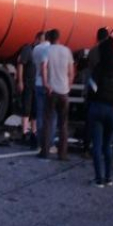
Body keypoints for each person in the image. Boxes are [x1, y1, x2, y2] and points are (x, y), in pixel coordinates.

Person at [87, 36, 113, 187]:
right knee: (108, 145)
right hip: (112, 110)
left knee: (97, 145)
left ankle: (98, 179)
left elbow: (91, 89)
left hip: (97, 108)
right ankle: (109, 178)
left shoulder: (98, 69)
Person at [40, 29, 74, 160]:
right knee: (63, 124)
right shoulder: (67, 51)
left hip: (51, 91)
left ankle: (45, 151)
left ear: (49, 38)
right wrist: (68, 86)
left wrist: (45, 84)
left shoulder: (47, 51)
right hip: (63, 92)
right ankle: (62, 154)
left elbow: (44, 67)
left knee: (48, 122)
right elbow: (71, 71)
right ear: (59, 38)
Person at [82, 28, 110, 156]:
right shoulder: (110, 53)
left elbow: (89, 71)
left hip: (93, 90)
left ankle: (86, 148)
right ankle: (101, 148)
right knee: (105, 122)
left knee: (90, 120)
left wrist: (86, 90)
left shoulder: (92, 52)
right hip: (106, 91)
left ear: (97, 37)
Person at [16, 32, 41, 148]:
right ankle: (25, 133)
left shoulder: (40, 51)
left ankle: (34, 133)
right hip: (28, 83)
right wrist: (20, 81)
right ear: (36, 39)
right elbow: (21, 64)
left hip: (36, 84)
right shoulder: (28, 49)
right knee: (26, 108)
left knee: (34, 110)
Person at [32, 30, 52, 149]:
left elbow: (37, 65)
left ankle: (40, 140)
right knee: (50, 115)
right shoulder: (49, 49)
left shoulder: (36, 49)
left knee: (39, 113)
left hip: (37, 82)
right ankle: (48, 141)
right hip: (48, 83)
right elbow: (45, 66)